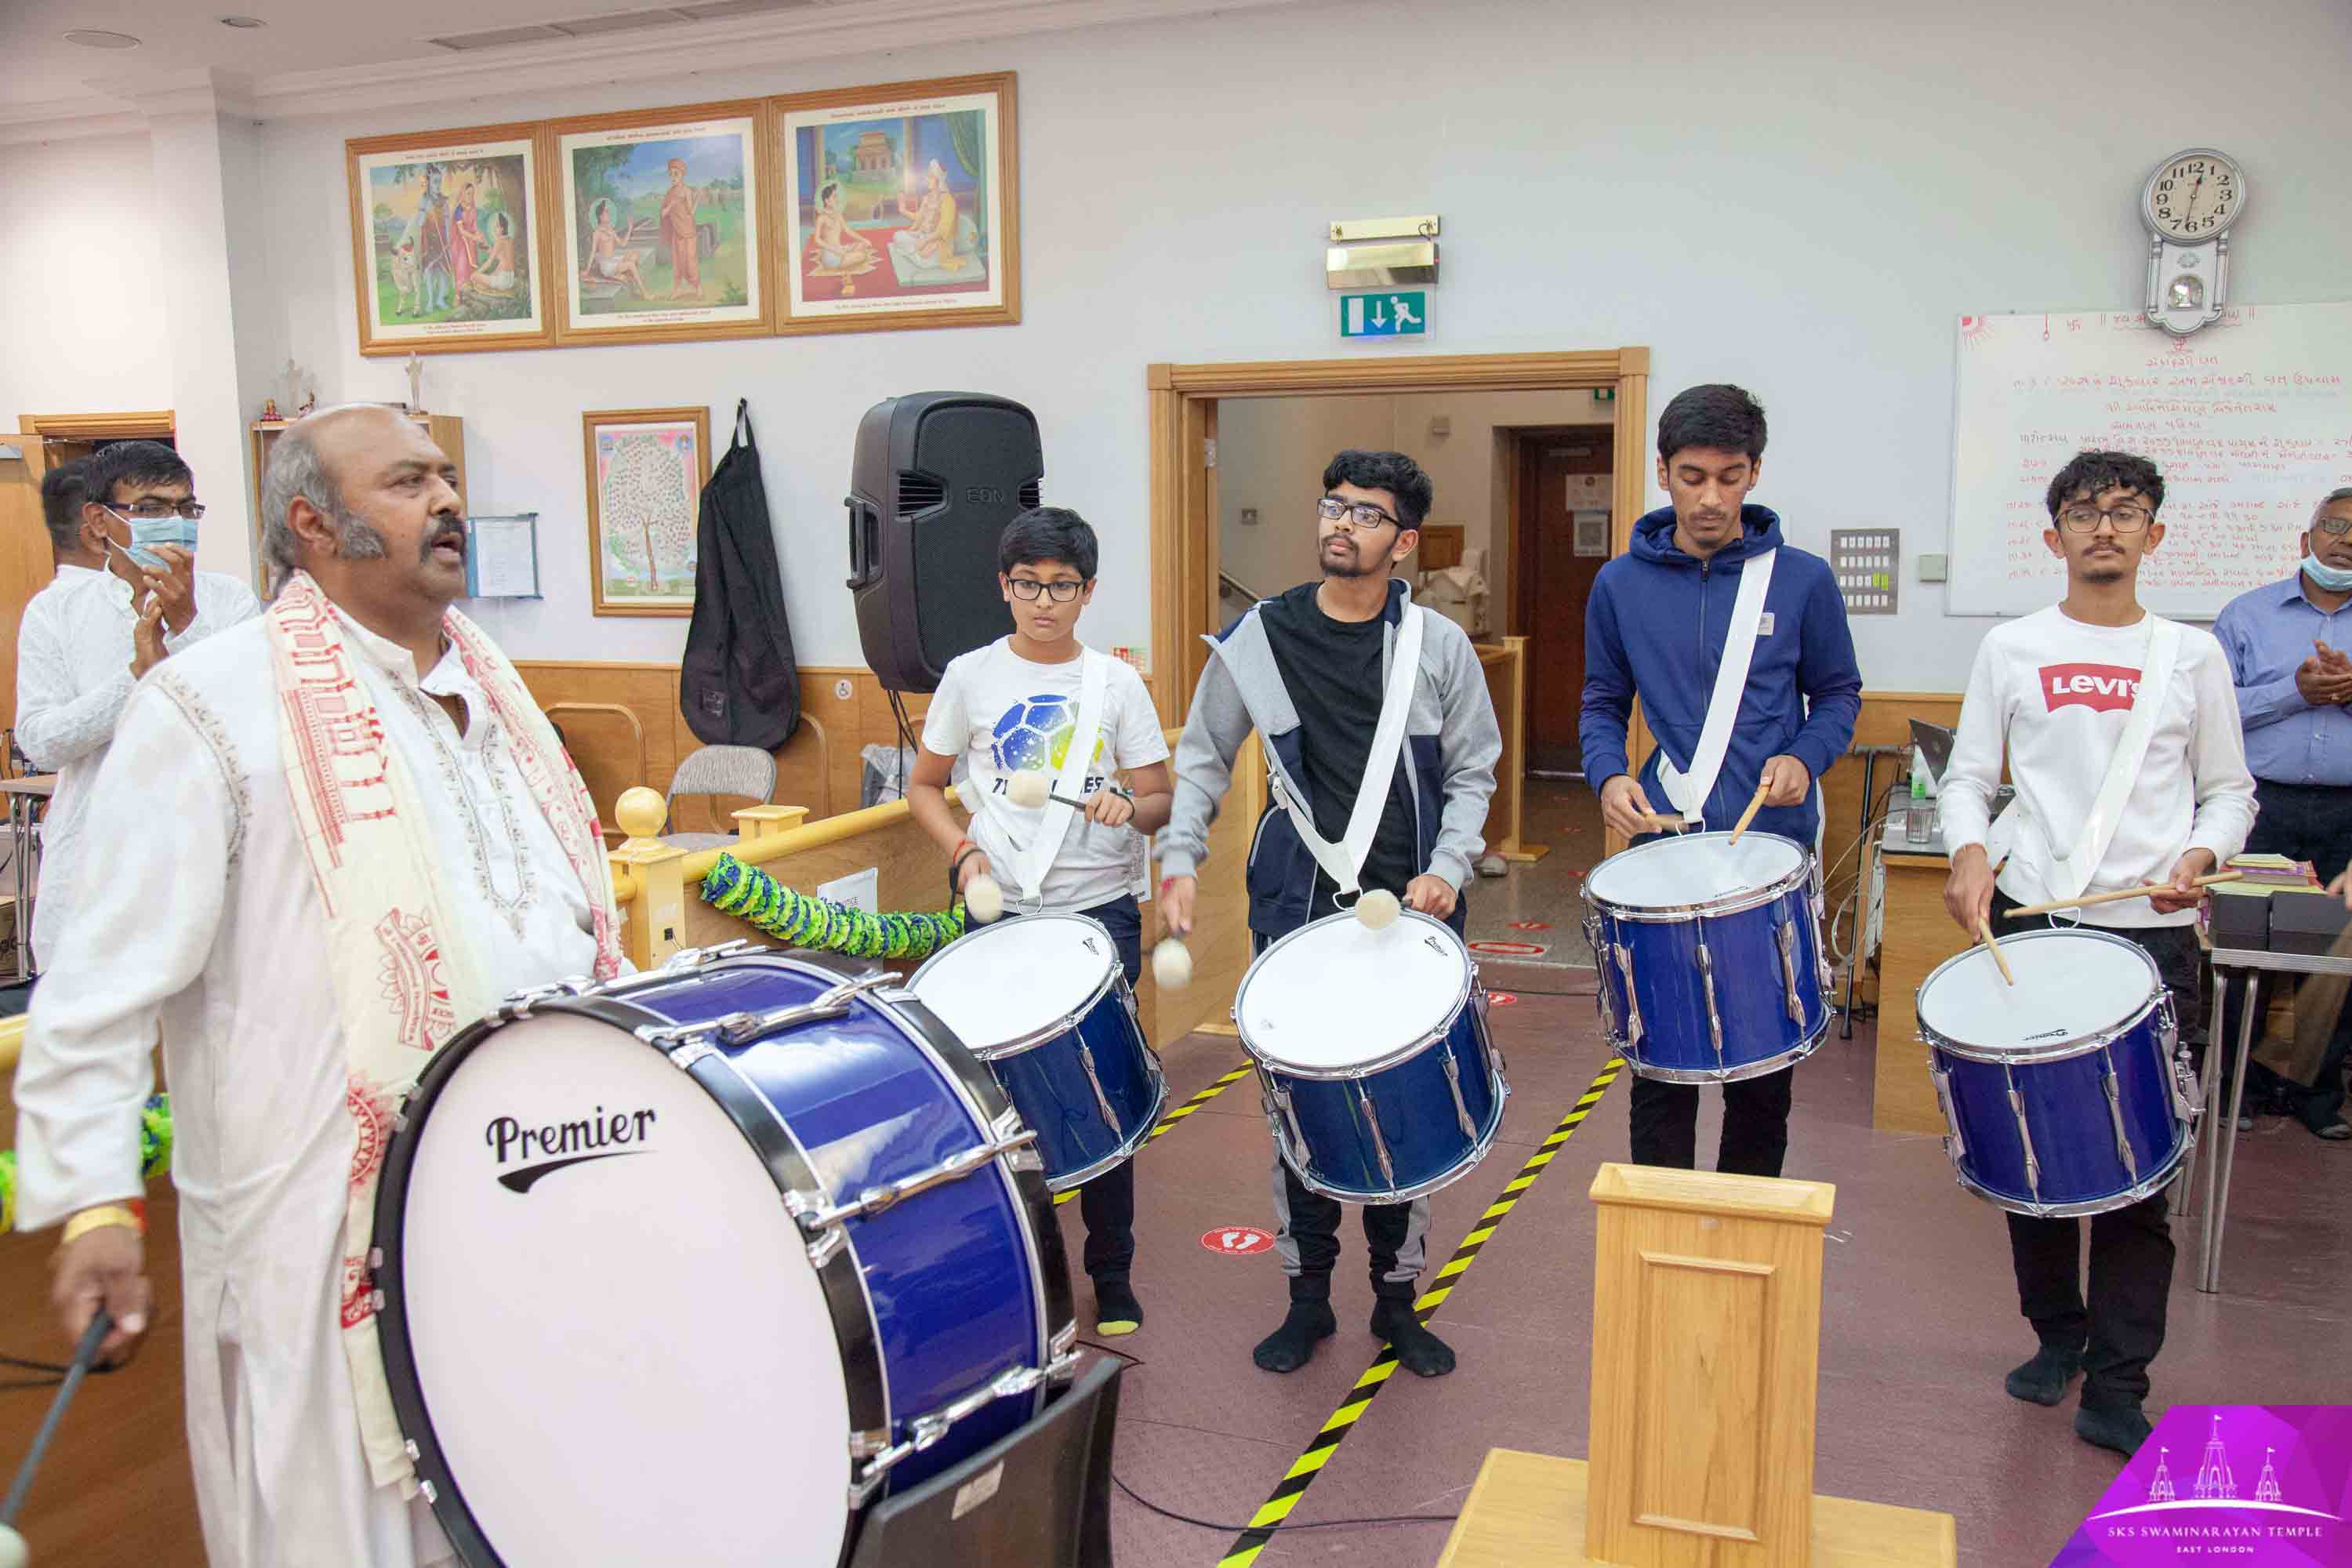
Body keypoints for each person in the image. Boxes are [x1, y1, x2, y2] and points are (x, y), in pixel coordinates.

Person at [12, 405, 626, 1566]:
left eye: (446, 475)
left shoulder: (492, 683)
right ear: (313, 521)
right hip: (314, 1225)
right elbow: (99, 983)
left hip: (521, 1194)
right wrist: (93, 1199)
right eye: (408, 482)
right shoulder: (212, 706)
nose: (447, 500)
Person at [1939, 448, 2256, 1455]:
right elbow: (1966, 777)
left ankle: (2119, 1382)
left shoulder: (2192, 655)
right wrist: (1970, 851)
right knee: (2027, 1148)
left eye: (2125, 510)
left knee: (2139, 1170)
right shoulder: (2012, 646)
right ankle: (2056, 1335)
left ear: (2155, 533)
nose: (2105, 526)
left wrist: (2200, 855)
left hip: (2150, 939)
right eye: (2084, 511)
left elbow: (2230, 790)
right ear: (2055, 535)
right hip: (2034, 922)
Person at [1160, 448, 1501, 1379]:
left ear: (1405, 542)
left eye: (1366, 513)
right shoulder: (1260, 638)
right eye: (1334, 505)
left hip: (1412, 915)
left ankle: (1397, 1298)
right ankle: (1306, 1295)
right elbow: (1203, 754)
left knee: (1406, 1102)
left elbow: (1474, 767)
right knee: (1297, 1100)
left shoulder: (1438, 645)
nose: (1342, 523)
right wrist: (1180, 856)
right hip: (1298, 903)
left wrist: (1448, 866)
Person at [1579, 384, 1861, 1178]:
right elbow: (1602, 700)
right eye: (1693, 476)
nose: (1710, 498)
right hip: (1665, 850)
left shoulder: (1801, 580)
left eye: (1730, 477)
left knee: (1763, 1074)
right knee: (1660, 1069)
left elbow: (1839, 693)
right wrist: (1607, 775)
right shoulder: (1620, 585)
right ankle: (1660, 1236)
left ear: (1755, 473)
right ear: (1662, 471)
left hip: (1767, 850)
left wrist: (1806, 755)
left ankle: (1745, 1228)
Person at [906, 507, 1173, 1338]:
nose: (1044, 602)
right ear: (1004, 587)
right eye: (1028, 585)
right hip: (1000, 911)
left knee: (1103, 1091)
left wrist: (1128, 805)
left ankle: (1113, 1271)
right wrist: (962, 851)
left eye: (1061, 586)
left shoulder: (1117, 685)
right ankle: (1021, 1265)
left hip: (1097, 912)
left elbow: (1160, 800)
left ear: (1088, 592)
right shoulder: (970, 676)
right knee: (998, 1097)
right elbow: (924, 785)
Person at [15, 441, 256, 971]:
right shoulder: (57, 611)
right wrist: (136, 680)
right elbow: (41, 742)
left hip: (208, 867)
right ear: (99, 521)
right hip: (95, 872)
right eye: (149, 509)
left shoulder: (230, 601)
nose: (174, 523)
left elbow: (250, 718)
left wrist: (187, 624)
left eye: (185, 508)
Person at [2212, 485, 2352, 1142]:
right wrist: (2296, 691)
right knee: (2242, 951)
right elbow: (2214, 712)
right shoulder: (2247, 614)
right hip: (2261, 803)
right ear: (2306, 539)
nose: (2347, 542)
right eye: (2335, 526)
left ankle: (2316, 1097)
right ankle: (2233, 1087)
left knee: (2337, 959)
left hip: (2348, 812)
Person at [583, 198, 648, 299]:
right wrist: (587, 270)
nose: (609, 214)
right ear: (600, 216)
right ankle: (644, 293)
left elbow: (623, 244)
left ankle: (620, 276)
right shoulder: (597, 233)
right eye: (606, 212)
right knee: (630, 264)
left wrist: (630, 229)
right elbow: (593, 252)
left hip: (613, 260)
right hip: (607, 266)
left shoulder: (611, 230)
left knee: (635, 255)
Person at [659, 157, 702, 300]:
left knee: (690, 261)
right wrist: (671, 205)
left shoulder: (687, 191)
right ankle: (677, 290)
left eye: (676, 174)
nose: (673, 177)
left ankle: (697, 287)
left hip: (688, 231)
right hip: (676, 232)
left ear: (682, 175)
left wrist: (697, 199)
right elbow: (663, 214)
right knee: (678, 262)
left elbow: (691, 212)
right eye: (670, 174)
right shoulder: (669, 193)